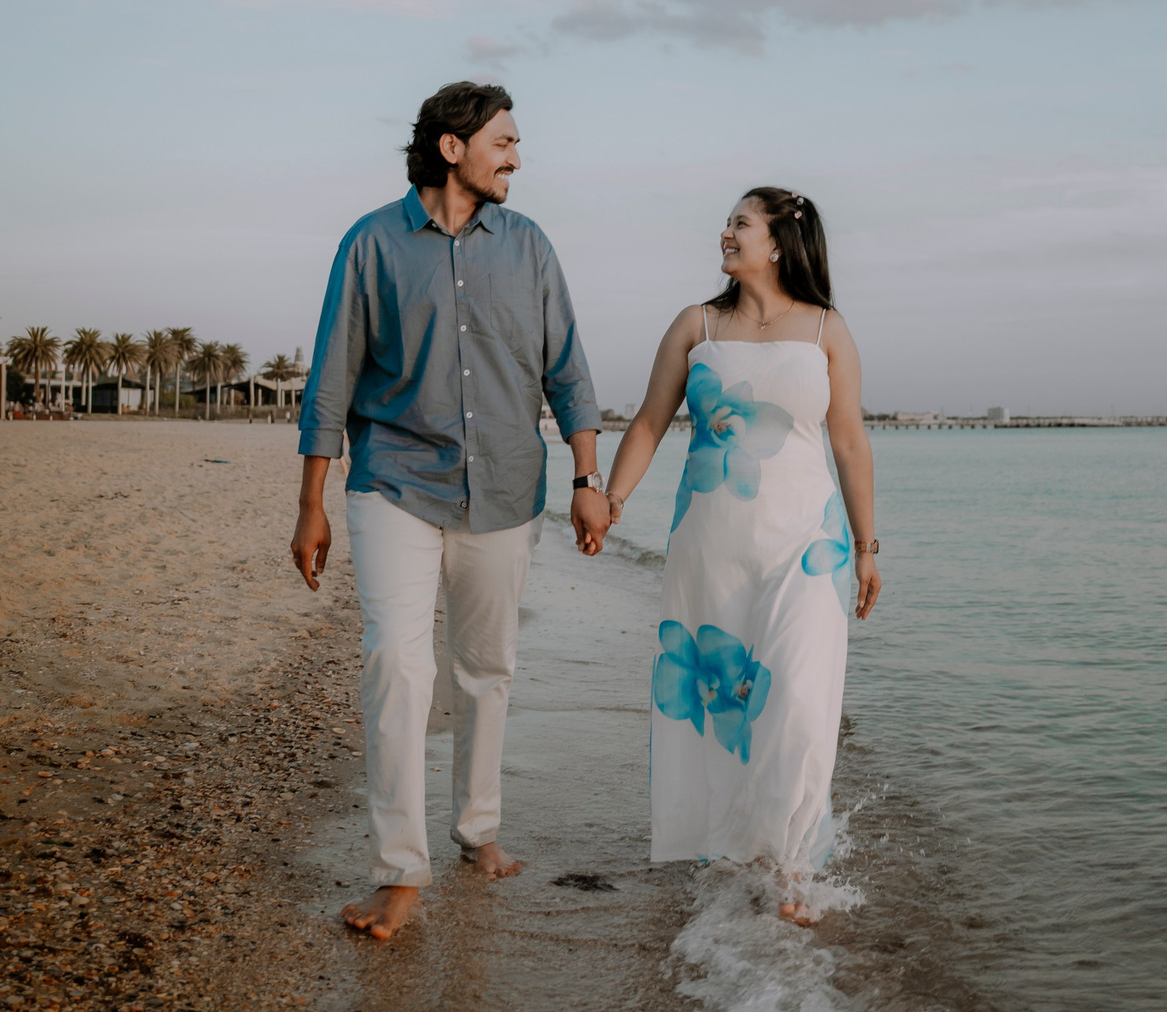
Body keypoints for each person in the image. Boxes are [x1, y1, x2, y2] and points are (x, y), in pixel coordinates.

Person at [291, 80, 612, 941]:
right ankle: (399, 871)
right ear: (450, 147)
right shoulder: (370, 244)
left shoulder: (531, 247)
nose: (516, 156)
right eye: (503, 141)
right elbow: (331, 378)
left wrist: (589, 477)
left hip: (506, 489)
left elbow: (569, 372)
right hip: (394, 481)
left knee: (485, 669)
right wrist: (311, 503)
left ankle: (479, 831)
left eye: (516, 143)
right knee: (397, 666)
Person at [601, 187, 882, 923]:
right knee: (722, 704)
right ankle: (731, 850)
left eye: (741, 222)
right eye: (729, 221)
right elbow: (650, 421)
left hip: (807, 545)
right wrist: (613, 498)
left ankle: (793, 866)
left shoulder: (827, 329)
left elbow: (850, 442)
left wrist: (868, 544)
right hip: (710, 547)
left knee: (797, 699)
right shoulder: (696, 324)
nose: (725, 232)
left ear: (781, 241)